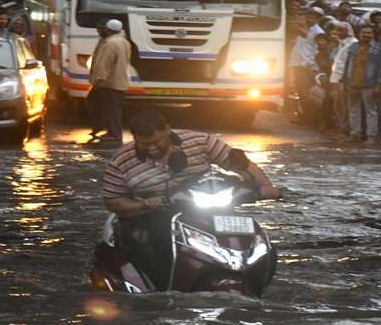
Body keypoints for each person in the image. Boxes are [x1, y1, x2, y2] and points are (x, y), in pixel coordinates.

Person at [101, 110, 281, 289]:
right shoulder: (121, 162)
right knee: (152, 246)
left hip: (207, 207)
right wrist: (148, 204)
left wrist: (266, 188)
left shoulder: (199, 141)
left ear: (168, 130)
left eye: (157, 142)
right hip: (155, 214)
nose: (151, 148)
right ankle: (163, 290)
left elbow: (240, 163)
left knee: (254, 238)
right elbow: (112, 201)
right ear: (134, 137)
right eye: (144, 144)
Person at [341, 25, 381, 142]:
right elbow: (347, 65)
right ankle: (354, 133)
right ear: (359, 34)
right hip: (352, 83)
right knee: (353, 109)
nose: (366, 35)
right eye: (364, 33)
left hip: (369, 84)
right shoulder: (353, 46)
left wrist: (378, 84)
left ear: (372, 35)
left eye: (369, 33)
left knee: (371, 111)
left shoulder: (378, 48)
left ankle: (371, 136)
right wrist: (344, 81)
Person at [89, 19, 131, 144]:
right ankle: (102, 128)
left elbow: (105, 63)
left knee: (111, 109)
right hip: (118, 81)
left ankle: (114, 134)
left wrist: (98, 79)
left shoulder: (111, 43)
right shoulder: (123, 41)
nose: (100, 31)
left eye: (102, 29)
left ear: (109, 30)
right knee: (100, 104)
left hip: (109, 82)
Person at [327, 22, 357, 134]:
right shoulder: (342, 43)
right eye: (337, 30)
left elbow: (351, 64)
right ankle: (341, 128)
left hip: (344, 80)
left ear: (348, 31)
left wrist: (344, 80)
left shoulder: (353, 43)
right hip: (335, 78)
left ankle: (346, 130)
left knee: (345, 106)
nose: (338, 32)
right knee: (338, 106)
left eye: (341, 30)